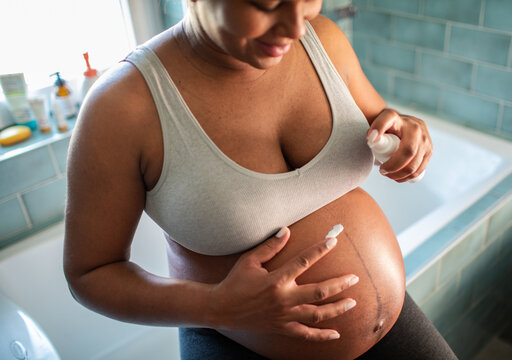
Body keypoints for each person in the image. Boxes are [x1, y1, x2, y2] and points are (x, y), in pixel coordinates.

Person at [63, 0, 457, 359]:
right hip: (241, 343)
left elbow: (383, 122)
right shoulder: (122, 108)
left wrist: (409, 134)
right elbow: (90, 274)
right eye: (268, 4)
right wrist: (219, 306)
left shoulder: (325, 39)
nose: (295, 27)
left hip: (393, 330)